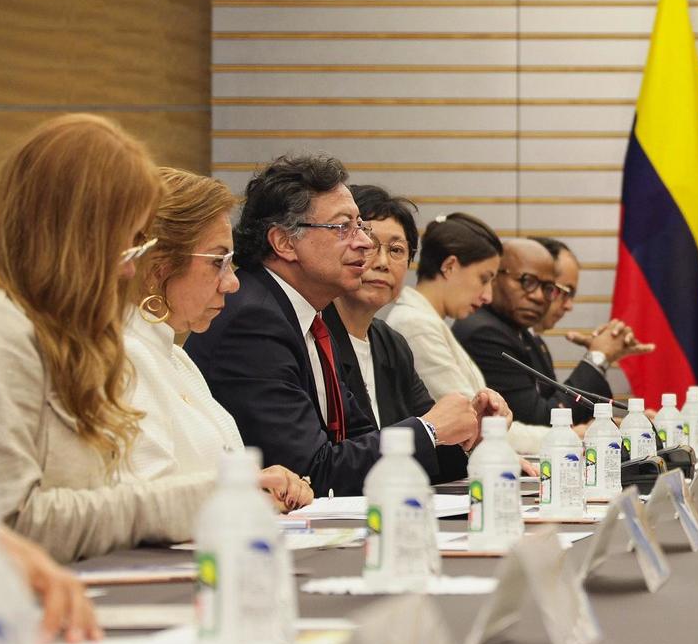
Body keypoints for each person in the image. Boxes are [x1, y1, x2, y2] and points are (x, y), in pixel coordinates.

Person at [0, 114, 217, 562]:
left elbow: (90, 495)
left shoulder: (49, 323)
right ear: (69, 234)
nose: (128, 269)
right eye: (125, 244)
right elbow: (11, 523)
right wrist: (198, 502)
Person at [184, 153, 482, 494]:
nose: (364, 242)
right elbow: (311, 469)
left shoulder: (311, 318)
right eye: (343, 227)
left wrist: (464, 439)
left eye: (360, 226)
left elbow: (360, 441)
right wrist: (429, 430)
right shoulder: (254, 321)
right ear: (284, 242)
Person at [125, 168, 313, 510]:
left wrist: (263, 484)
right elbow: (146, 504)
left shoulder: (176, 357)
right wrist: (245, 496)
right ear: (158, 267)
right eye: (218, 262)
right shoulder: (123, 358)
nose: (232, 283)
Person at [333, 186, 506, 484]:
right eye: (370, 244)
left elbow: (434, 447)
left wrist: (472, 431)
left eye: (397, 250)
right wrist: (434, 429)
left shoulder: (391, 344)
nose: (383, 262)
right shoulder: (317, 337)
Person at [455, 238, 635, 438]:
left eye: (548, 288)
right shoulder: (485, 334)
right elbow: (540, 421)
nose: (539, 297)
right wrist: (597, 358)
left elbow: (562, 409)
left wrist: (611, 424)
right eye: (528, 281)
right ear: (495, 275)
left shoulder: (526, 336)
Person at [387, 211, 502, 402]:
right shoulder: (416, 325)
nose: (488, 296)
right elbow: (469, 418)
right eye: (483, 279)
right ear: (449, 266)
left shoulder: (426, 322)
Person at [532, 236, 650, 407]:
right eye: (565, 291)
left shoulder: (534, 341)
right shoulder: (494, 336)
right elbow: (542, 418)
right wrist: (597, 356)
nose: (569, 306)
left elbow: (555, 411)